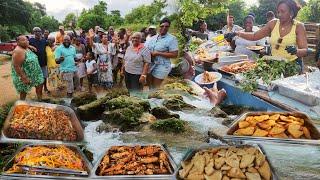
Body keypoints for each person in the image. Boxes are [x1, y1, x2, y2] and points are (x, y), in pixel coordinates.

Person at [225, 0, 310, 72]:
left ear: (291, 12)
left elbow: (305, 51)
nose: (279, 15)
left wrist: (296, 51)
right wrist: (237, 33)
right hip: (275, 64)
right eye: (278, 12)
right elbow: (254, 36)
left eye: (283, 12)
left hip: (292, 65)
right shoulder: (273, 23)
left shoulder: (298, 26)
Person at [146, 17, 179, 88]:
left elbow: (175, 54)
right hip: (151, 64)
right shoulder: (153, 38)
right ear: (159, 26)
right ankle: (150, 98)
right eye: (162, 26)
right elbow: (145, 48)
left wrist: (158, 53)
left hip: (162, 65)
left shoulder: (172, 39)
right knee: (150, 85)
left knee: (155, 87)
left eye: (166, 26)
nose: (164, 28)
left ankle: (154, 98)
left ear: (169, 27)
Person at [11, 35, 44, 100]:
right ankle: (22, 103)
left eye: (27, 40)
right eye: (23, 40)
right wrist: (24, 77)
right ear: (17, 42)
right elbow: (16, 66)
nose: (26, 41)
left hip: (35, 74)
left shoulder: (25, 47)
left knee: (40, 85)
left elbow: (26, 45)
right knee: (24, 91)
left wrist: (29, 46)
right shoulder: (18, 51)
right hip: (25, 75)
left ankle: (40, 100)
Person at [29, 27, 50, 94]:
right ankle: (38, 91)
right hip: (35, 63)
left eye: (39, 31)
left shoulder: (44, 40)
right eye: (36, 31)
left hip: (43, 62)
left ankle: (45, 87)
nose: (37, 32)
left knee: (44, 76)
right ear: (33, 32)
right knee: (37, 77)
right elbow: (25, 45)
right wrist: (30, 46)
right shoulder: (31, 40)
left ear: (41, 32)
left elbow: (50, 45)